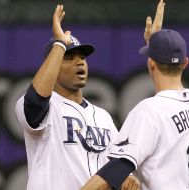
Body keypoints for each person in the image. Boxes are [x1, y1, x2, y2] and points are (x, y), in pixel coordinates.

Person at [81, 1, 189, 190]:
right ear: (185, 63)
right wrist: (156, 45)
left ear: (151, 63)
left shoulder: (149, 111)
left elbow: (116, 170)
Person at [15, 4, 139, 190]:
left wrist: (128, 178)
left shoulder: (103, 116)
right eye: (69, 57)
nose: (79, 62)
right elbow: (35, 103)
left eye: (82, 57)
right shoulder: (45, 109)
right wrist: (59, 45)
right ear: (53, 65)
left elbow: (117, 164)